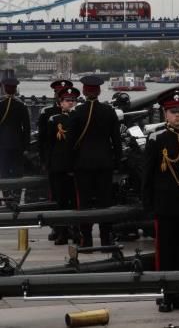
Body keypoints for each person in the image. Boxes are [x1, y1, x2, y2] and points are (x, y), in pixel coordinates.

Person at [143, 88, 179, 313]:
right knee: (165, 251)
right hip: (165, 205)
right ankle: (165, 293)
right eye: (173, 112)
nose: (177, 116)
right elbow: (148, 175)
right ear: (165, 114)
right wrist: (148, 205)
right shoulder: (157, 138)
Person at [68, 75, 121, 247]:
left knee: (84, 202)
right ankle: (106, 238)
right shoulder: (109, 111)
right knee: (105, 201)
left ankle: (87, 239)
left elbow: (71, 142)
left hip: (83, 164)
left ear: (84, 90)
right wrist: (117, 162)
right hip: (105, 163)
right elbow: (116, 140)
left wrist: (71, 164)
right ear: (98, 91)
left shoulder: (77, 112)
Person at [47, 86, 80, 245]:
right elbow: (49, 144)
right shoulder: (54, 120)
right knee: (61, 201)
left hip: (74, 165)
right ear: (60, 103)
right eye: (67, 101)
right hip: (59, 165)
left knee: (74, 201)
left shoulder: (78, 118)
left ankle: (75, 230)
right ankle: (61, 232)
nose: (71, 103)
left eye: (73, 100)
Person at [0, 77, 31, 178]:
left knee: (3, 170)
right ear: (15, 89)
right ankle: (17, 193)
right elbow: (27, 128)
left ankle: (6, 193)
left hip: (2, 143)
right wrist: (26, 146)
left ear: (4, 89)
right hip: (18, 143)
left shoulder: (0, 105)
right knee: (17, 171)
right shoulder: (21, 106)